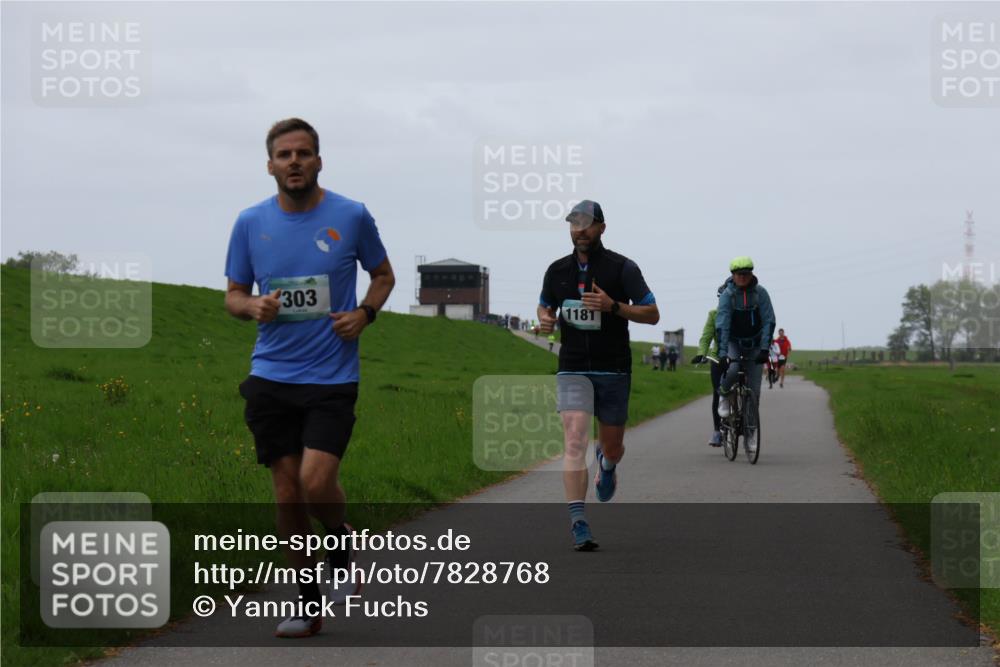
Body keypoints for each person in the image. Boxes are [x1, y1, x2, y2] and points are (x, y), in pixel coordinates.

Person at [224, 118, 396, 638]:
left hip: (331, 375)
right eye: (283, 155)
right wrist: (252, 304)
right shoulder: (250, 222)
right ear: (270, 165)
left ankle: (340, 542)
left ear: (319, 161)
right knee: (285, 494)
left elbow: (384, 275)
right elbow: (232, 295)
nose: (294, 162)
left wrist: (365, 314)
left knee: (315, 481)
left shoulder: (351, 214)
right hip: (271, 374)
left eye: (303, 153)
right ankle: (305, 603)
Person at [537, 199, 659, 551]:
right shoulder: (557, 270)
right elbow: (545, 303)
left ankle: (608, 464)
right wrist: (545, 317)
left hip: (613, 368)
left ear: (602, 228)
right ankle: (578, 521)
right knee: (575, 440)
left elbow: (652, 313)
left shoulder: (622, 268)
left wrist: (614, 307)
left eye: (587, 223)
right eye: (574, 224)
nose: (580, 230)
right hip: (572, 366)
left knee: (612, 446)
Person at [716, 257, 776, 455]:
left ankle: (750, 435)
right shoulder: (727, 295)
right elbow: (723, 325)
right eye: (739, 274)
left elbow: (769, 321)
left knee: (754, 394)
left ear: (751, 274)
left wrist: (765, 348)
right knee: (732, 369)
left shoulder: (761, 294)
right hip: (734, 341)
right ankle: (724, 396)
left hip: (755, 343)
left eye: (746, 273)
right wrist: (723, 354)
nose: (743, 277)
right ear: (733, 275)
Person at [690, 282, 728, 446]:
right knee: (717, 393)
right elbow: (706, 337)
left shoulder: (740, 314)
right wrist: (701, 354)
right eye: (722, 298)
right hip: (717, 357)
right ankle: (717, 431)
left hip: (736, 356)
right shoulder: (714, 314)